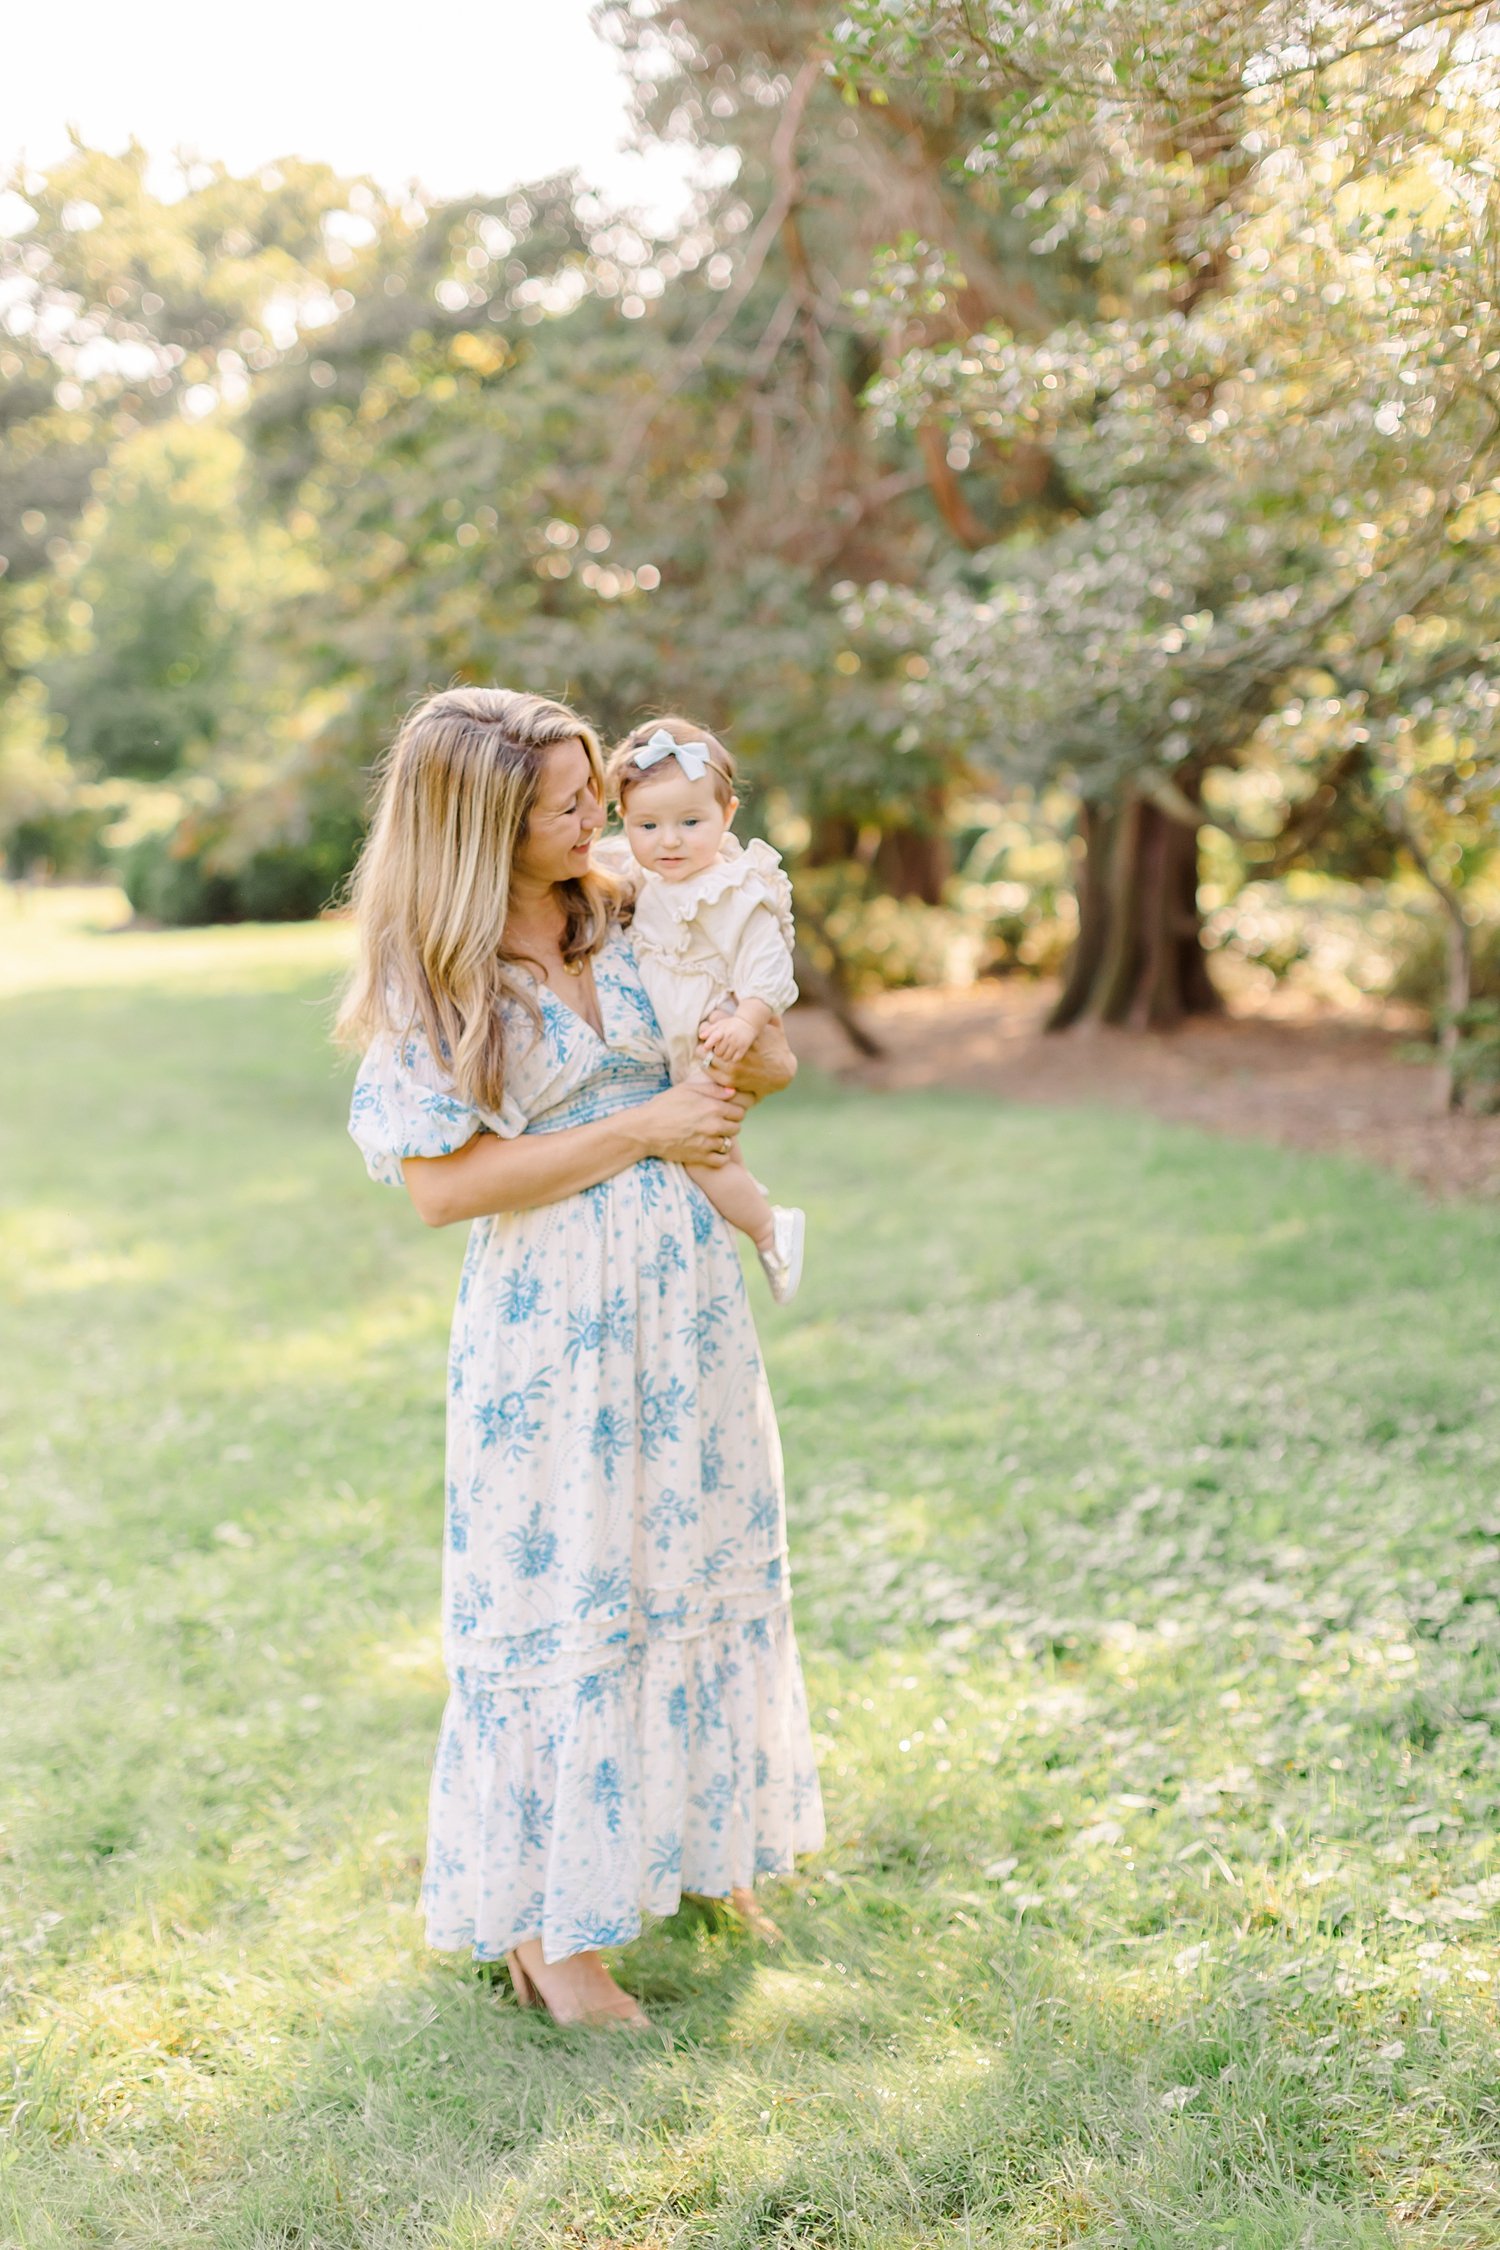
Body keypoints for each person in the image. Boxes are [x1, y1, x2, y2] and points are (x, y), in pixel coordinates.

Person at [337, 687, 825, 2029]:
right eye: (563, 800)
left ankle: (682, 1851)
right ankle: (551, 1934)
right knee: (570, 1592)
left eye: (589, 793)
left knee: (690, 1564)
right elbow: (445, 1190)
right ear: (484, 815)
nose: (594, 816)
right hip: (552, 1326)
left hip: (684, 1300)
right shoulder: (428, 968)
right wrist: (648, 1125)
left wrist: (749, 1046)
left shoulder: (622, 902)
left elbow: (757, 1066)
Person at [604, 716, 805, 1304]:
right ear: (625, 821)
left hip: (715, 1039)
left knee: (702, 1155)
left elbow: (766, 964)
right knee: (714, 1150)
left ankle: (771, 1231)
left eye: (691, 823)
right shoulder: (643, 875)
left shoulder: (733, 889)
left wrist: (747, 1019)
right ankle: (753, 1212)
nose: (669, 841)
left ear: (728, 816)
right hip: (681, 1042)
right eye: (648, 825)